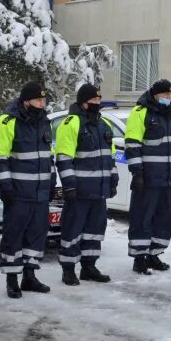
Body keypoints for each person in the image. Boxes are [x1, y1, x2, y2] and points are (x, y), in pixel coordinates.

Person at [0, 82, 54, 298]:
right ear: (26, 101)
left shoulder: (45, 123)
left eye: (44, 100)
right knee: (14, 236)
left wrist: (51, 182)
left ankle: (30, 276)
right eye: (38, 100)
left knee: (36, 235)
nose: (42, 104)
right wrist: (5, 186)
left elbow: (48, 157)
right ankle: (12, 279)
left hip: (40, 193)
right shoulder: (8, 122)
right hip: (18, 193)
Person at [55, 84, 118, 285]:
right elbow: (64, 158)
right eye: (93, 101)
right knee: (72, 230)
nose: (97, 104)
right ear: (83, 102)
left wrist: (113, 180)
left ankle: (89, 267)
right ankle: (68, 269)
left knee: (95, 230)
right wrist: (69, 186)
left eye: (99, 100)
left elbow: (111, 157)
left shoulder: (103, 125)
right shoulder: (71, 123)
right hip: (79, 191)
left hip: (99, 191)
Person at [124, 79, 171, 274]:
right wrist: (137, 174)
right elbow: (132, 145)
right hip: (149, 179)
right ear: (155, 95)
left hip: (169, 179)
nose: (168, 98)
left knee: (164, 219)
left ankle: (154, 255)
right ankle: (139, 258)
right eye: (165, 95)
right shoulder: (140, 113)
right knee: (142, 218)